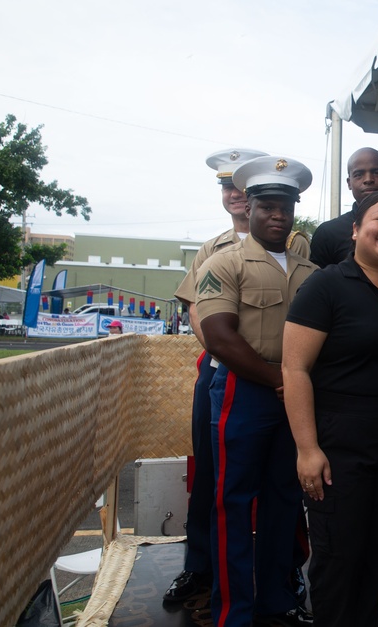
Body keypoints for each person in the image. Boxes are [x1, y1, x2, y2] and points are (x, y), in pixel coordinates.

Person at [283, 190, 378, 627]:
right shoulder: (326, 285)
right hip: (341, 443)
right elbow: (295, 369)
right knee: (339, 556)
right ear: (356, 230)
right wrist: (308, 449)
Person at [197, 155, 317, 627]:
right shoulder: (225, 263)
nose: (277, 215)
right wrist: (281, 382)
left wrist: (296, 387)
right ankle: (233, 612)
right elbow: (220, 337)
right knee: (233, 502)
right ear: (249, 208)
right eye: (268, 205)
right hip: (245, 393)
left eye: (286, 206)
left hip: (297, 396)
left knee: (284, 500)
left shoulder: (312, 270)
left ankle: (276, 599)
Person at [167, 147, 268, 605]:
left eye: (243, 186)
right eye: (227, 186)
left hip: (271, 378)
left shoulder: (295, 245)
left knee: (276, 482)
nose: (234, 194)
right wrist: (226, 354)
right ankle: (199, 568)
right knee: (209, 477)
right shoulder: (212, 249)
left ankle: (280, 575)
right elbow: (195, 312)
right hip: (219, 376)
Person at [309, 147, 378, 268]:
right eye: (358, 174)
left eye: (376, 172)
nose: (368, 180)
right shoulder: (328, 233)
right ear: (349, 183)